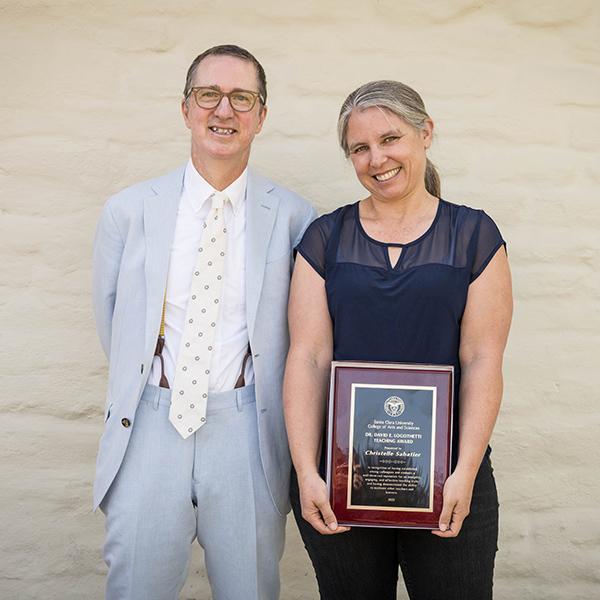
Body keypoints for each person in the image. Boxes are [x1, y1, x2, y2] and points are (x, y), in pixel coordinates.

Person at [92, 44, 315, 600]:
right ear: (186, 108)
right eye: (208, 95)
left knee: (250, 589)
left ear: (261, 115)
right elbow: (112, 318)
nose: (224, 111)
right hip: (149, 422)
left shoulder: (294, 217)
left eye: (242, 98)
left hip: (246, 430)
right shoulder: (129, 210)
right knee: (136, 587)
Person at [283, 80, 512, 600]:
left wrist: (466, 472)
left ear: (426, 133)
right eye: (359, 148)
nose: (376, 159)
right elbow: (308, 357)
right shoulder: (325, 238)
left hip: (449, 478)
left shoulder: (475, 236)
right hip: (340, 480)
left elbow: (482, 358)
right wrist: (305, 471)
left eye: (390, 139)